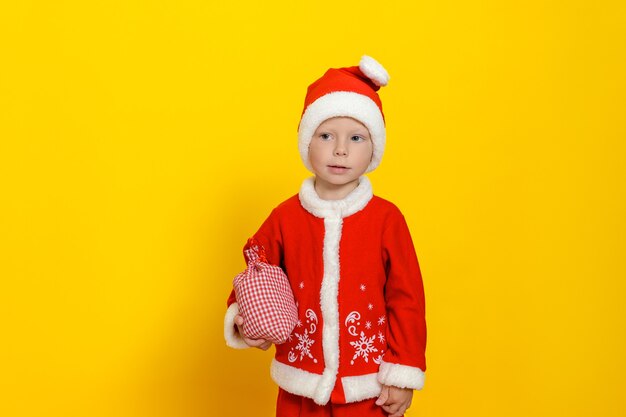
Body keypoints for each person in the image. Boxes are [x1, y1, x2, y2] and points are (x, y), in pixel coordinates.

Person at [224, 55, 427, 417]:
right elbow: (256, 270)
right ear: (306, 142)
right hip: (301, 381)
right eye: (326, 135)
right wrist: (244, 319)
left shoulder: (386, 219)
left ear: (374, 149)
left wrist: (402, 373)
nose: (340, 149)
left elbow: (407, 298)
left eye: (356, 137)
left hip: (367, 384)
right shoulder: (284, 217)